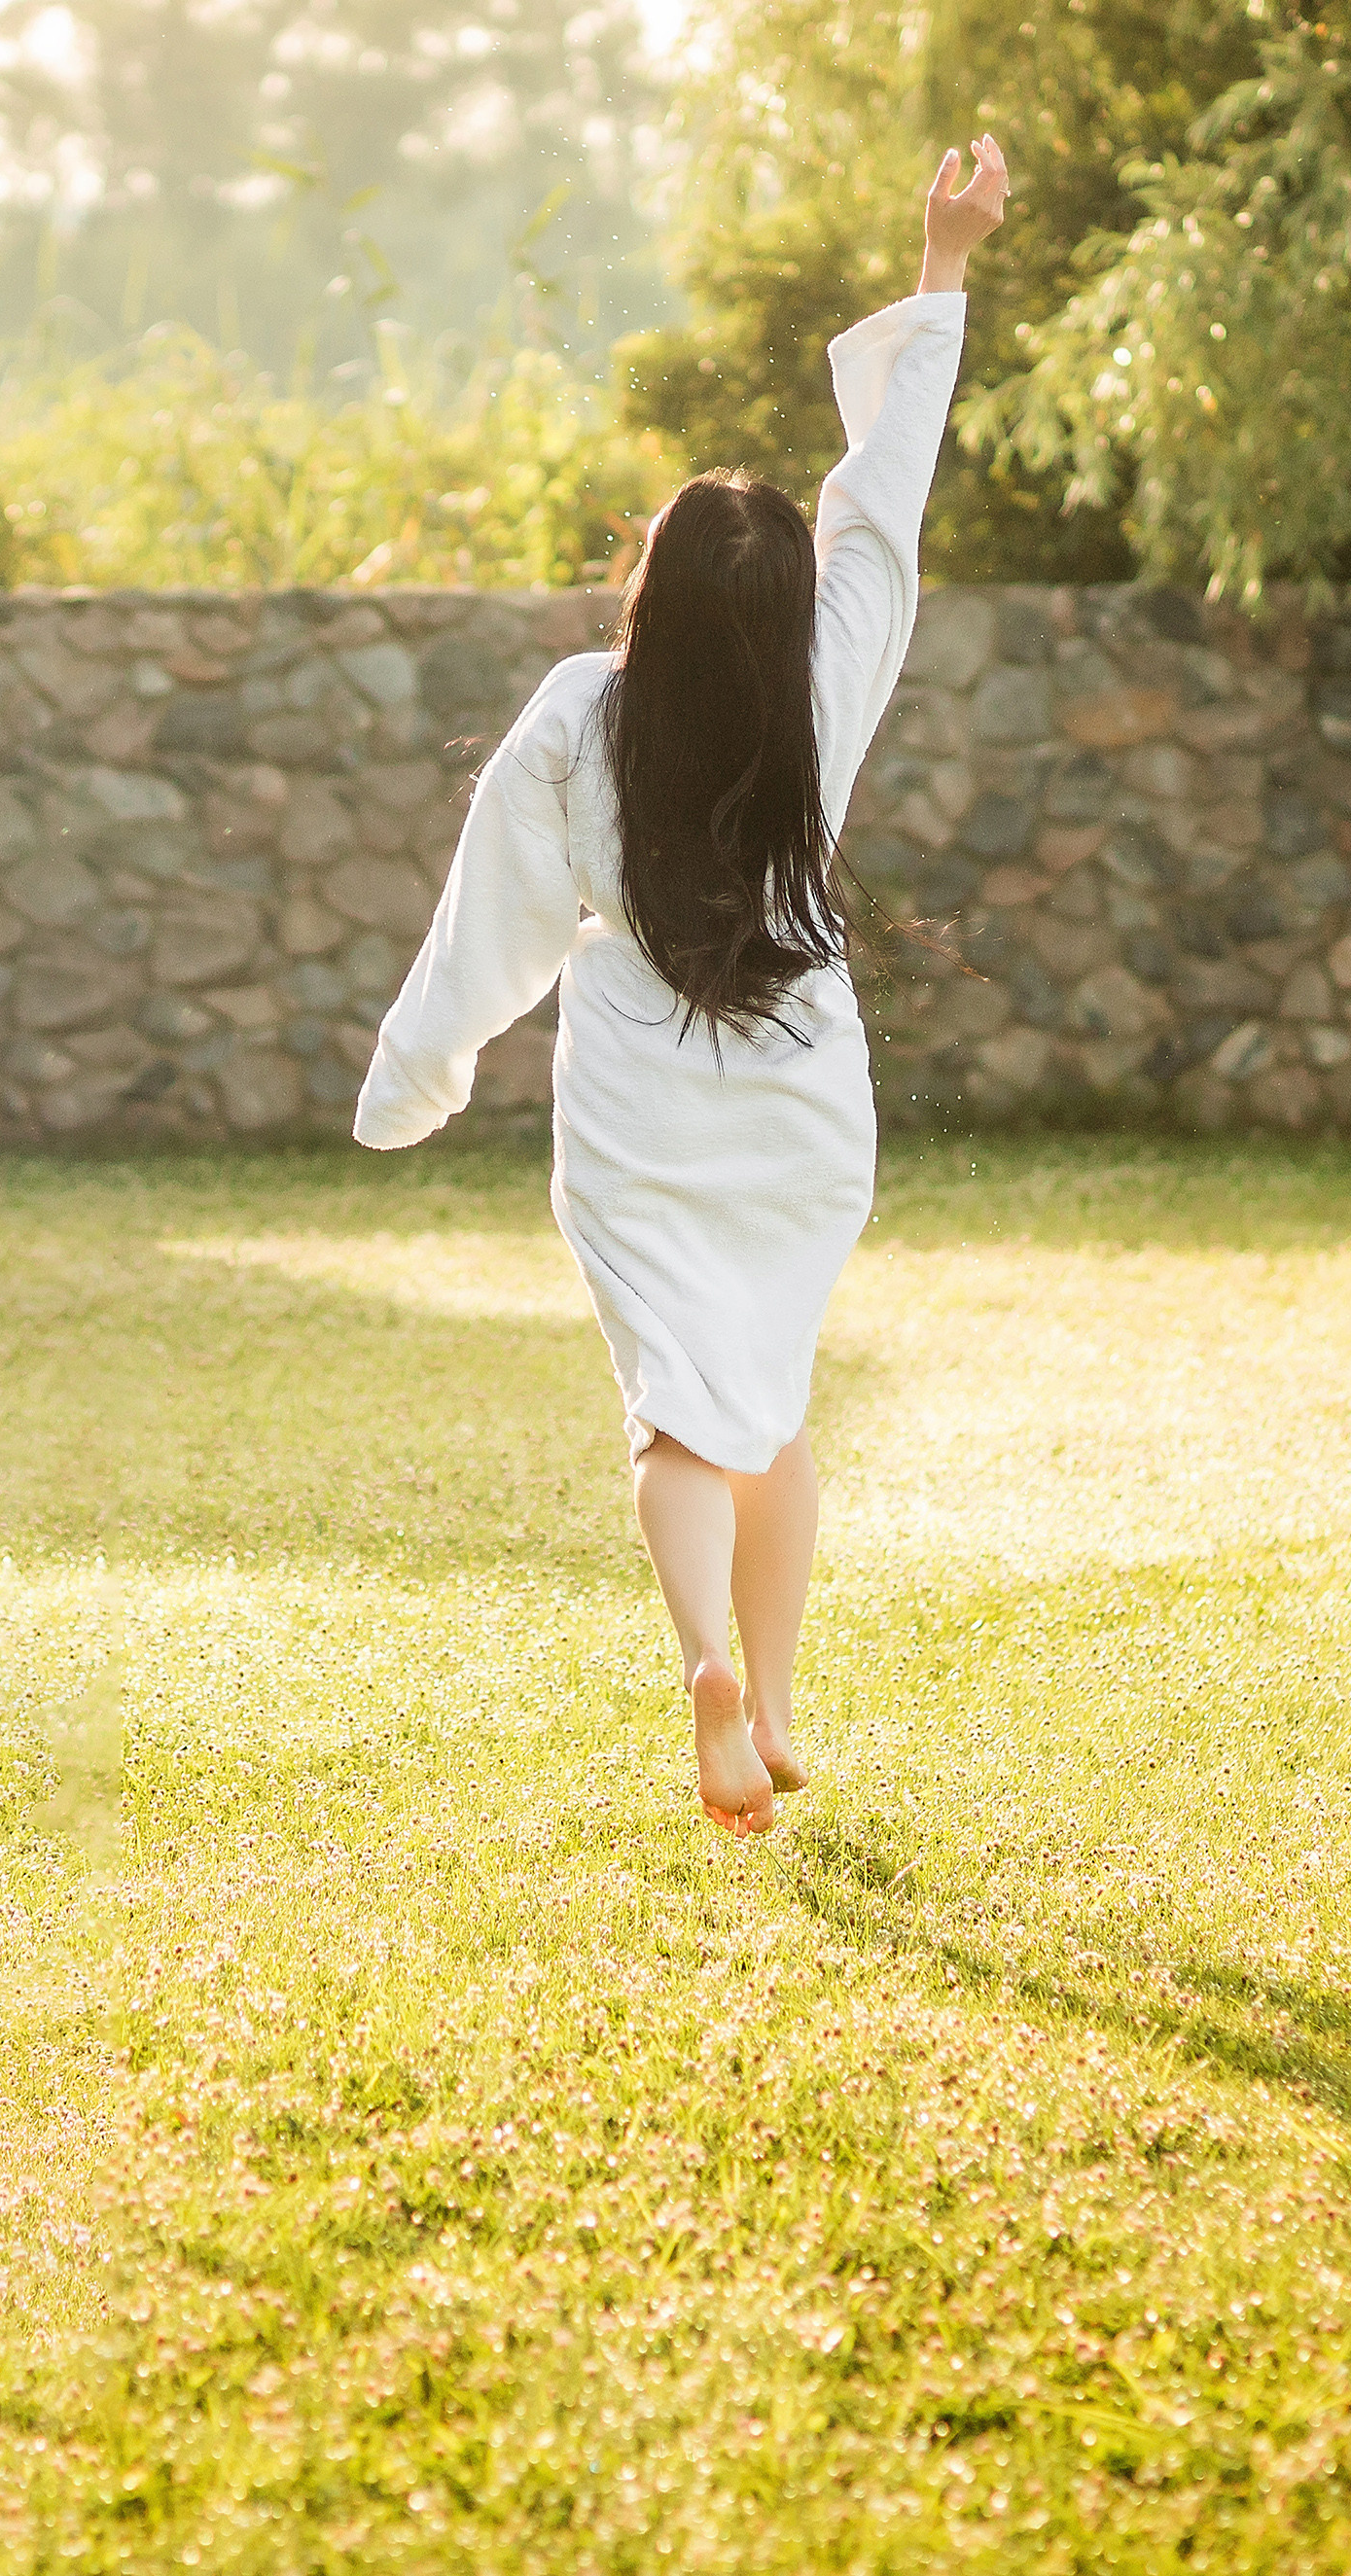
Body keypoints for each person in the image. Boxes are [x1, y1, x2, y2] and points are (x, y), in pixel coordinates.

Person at [354, 137, 1009, 1835]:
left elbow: (484, 917)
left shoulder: (583, 709)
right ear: (790, 604)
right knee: (768, 1401)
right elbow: (890, 490)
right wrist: (939, 270)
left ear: (646, 594)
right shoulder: (828, 677)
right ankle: (776, 1707)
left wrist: (413, 1079)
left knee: (676, 1415)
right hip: (798, 1098)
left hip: (640, 1108)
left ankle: (710, 1667)